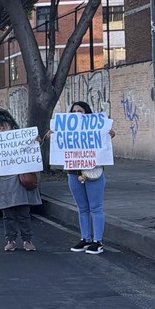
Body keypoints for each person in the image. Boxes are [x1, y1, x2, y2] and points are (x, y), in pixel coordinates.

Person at [55, 101, 108, 255]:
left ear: (87, 113)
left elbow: (104, 145)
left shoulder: (96, 129)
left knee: (96, 207)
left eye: (80, 111)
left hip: (93, 172)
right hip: (73, 173)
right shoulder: (66, 131)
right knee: (82, 208)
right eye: (73, 111)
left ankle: (98, 241)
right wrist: (54, 134)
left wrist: (108, 134)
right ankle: (85, 238)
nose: (77, 113)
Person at [0, 121, 42, 252]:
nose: (3, 130)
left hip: (20, 185)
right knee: (8, 216)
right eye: (0, 128)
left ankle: (27, 240)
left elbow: (31, 154)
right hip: (3, 186)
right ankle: (11, 240)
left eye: (5, 127)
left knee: (24, 215)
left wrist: (36, 142)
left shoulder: (20, 142)